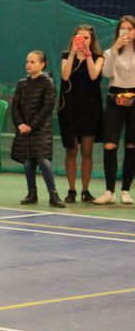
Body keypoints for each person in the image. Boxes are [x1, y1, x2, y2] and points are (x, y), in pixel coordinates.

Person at [58, 25, 104, 203]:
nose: (83, 40)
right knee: (72, 149)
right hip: (70, 109)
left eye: (86, 38)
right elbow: (65, 75)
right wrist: (72, 54)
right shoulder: (65, 56)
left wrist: (87, 54)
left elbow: (93, 76)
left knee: (87, 150)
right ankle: (71, 190)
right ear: (74, 38)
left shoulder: (99, 57)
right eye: (79, 37)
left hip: (90, 110)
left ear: (91, 40)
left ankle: (85, 190)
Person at [12, 51, 64, 207]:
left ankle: (53, 195)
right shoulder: (22, 83)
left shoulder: (48, 83)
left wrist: (31, 126)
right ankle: (31, 193)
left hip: (40, 130)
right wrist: (21, 124)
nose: (29, 64)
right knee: (28, 162)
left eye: (33, 62)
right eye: (27, 61)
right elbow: (15, 106)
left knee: (43, 160)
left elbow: (47, 107)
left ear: (42, 64)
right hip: (24, 131)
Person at [93, 15, 135, 205]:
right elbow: (107, 74)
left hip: (133, 100)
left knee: (131, 146)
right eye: (123, 28)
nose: (126, 32)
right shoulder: (110, 52)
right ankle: (109, 191)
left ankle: (126, 190)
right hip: (113, 100)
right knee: (110, 145)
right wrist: (117, 48)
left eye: (130, 28)